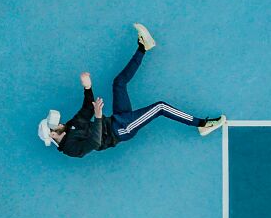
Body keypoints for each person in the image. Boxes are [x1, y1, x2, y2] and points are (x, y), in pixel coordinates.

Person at [38, 24, 226, 158]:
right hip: (121, 129)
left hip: (116, 119)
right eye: (53, 126)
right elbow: (94, 142)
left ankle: (144, 46)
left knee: (118, 83)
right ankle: (202, 124)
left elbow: (87, 109)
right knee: (160, 107)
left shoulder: (70, 125)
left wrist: (87, 87)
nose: (57, 123)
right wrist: (99, 116)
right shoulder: (71, 149)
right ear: (52, 135)